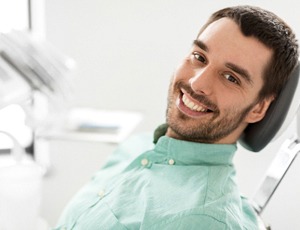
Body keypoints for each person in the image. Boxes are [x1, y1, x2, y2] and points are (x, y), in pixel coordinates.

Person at [54, 5, 299, 230]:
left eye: (231, 78)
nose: (196, 82)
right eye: (199, 57)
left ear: (259, 108)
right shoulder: (136, 147)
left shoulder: (204, 220)